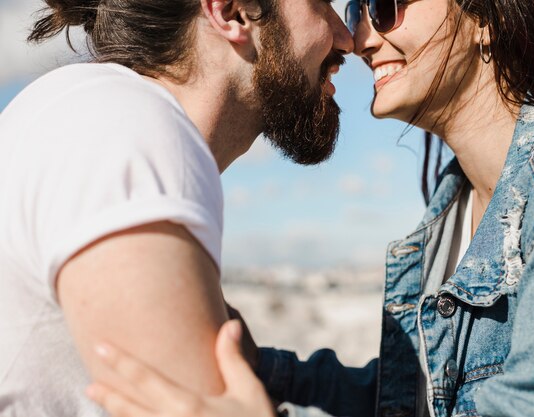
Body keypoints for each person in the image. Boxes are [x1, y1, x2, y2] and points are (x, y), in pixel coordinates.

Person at [84, 0, 534, 416]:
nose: (362, 38)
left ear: (484, 15)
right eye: (354, 9)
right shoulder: (454, 210)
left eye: (386, 4)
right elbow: (421, 399)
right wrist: (258, 368)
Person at [0, 0, 353, 415]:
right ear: (232, 13)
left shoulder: (93, 112)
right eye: (320, 4)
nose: (347, 38)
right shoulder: (132, 132)